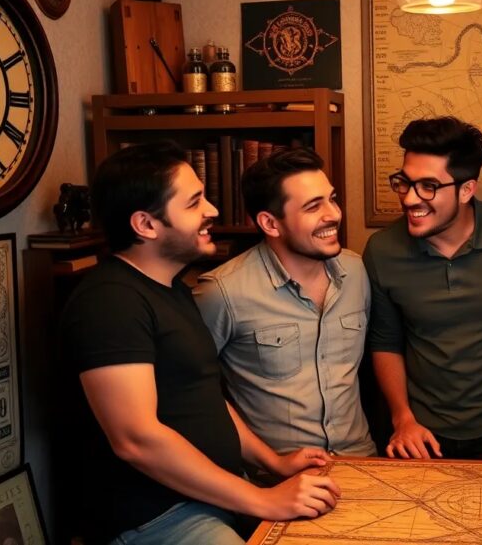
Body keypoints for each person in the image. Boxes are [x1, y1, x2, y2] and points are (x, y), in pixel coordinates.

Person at [61, 142, 340, 545]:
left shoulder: (172, 288)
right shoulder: (109, 302)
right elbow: (136, 440)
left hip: (219, 494)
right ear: (146, 224)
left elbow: (203, 397)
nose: (212, 210)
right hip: (159, 516)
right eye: (194, 203)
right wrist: (263, 500)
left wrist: (274, 463)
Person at [363, 116, 482, 461]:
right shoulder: (382, 250)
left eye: (428, 186)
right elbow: (385, 343)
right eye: (404, 183)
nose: (410, 199)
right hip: (422, 436)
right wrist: (402, 419)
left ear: (466, 190)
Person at [194, 148, 376, 457]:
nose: (333, 214)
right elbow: (190, 388)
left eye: (331, 199)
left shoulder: (356, 271)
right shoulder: (222, 292)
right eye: (313, 206)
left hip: (363, 461)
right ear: (270, 223)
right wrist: (266, 462)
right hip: (275, 474)